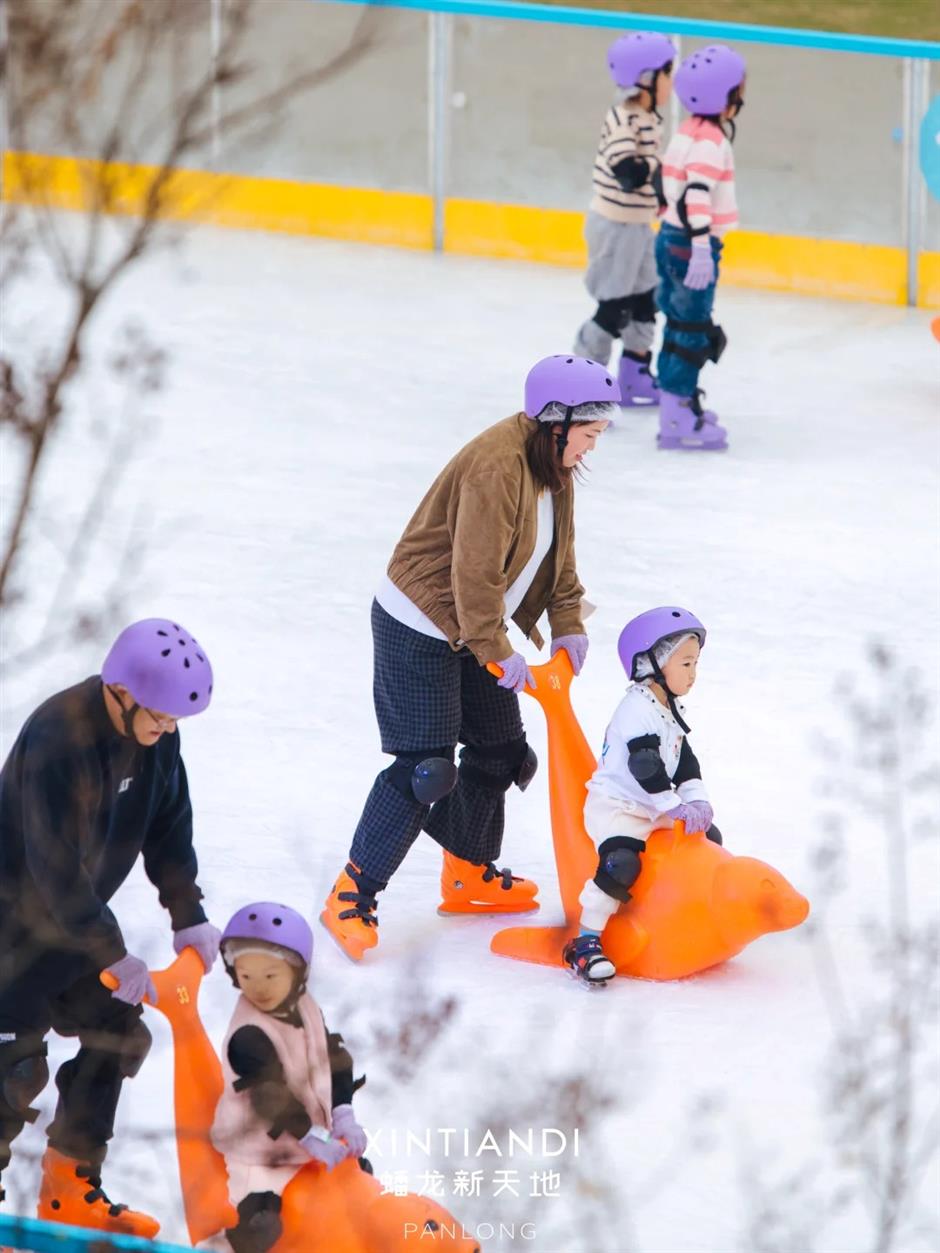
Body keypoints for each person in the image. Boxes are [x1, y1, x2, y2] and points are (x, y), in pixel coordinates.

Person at [321, 355, 620, 961]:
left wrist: (567, 624)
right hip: (421, 622)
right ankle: (351, 893)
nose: (592, 447)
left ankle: (468, 872)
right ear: (556, 422)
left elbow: (559, 558)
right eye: (589, 434)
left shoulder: (552, 465)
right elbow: (473, 573)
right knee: (426, 768)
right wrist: (495, 648)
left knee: (502, 750)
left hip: (474, 625)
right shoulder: (496, 466)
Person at [0, 619, 221, 1237]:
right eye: (159, 715)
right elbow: (54, 867)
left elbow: (169, 823)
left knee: (117, 1032)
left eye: (176, 720)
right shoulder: (56, 738)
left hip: (71, 935)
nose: (167, 730)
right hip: (9, 936)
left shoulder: (155, 740)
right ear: (119, 692)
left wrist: (188, 913)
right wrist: (113, 951)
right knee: (11, 1074)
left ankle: (69, 1187)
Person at [563, 607, 722, 984]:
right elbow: (646, 766)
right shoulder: (636, 709)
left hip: (654, 802)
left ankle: (690, 917)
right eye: (685, 663)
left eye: (695, 663)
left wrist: (697, 801)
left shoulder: (670, 708)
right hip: (620, 805)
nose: (693, 674)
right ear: (652, 663)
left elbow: (683, 760)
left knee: (708, 840)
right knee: (622, 862)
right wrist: (675, 806)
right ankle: (585, 941)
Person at [211, 903, 367, 1253]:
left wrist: (343, 1112)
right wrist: (308, 1135)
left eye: (270, 976)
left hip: (314, 1138)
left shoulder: (305, 1005)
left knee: (358, 1183)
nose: (259, 988)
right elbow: (269, 1096)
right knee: (264, 1221)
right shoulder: (248, 1034)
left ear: (298, 975)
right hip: (260, 1151)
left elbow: (334, 1057)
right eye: (246, 976)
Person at [573, 31, 676, 407]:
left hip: (637, 226)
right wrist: (660, 173)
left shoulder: (647, 117)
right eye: (667, 74)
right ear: (646, 79)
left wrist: (664, 197)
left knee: (646, 299)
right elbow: (627, 171)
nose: (672, 82)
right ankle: (581, 383)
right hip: (614, 228)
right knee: (614, 308)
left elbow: (649, 175)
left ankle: (633, 373)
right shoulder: (622, 118)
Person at [656, 44, 746, 450]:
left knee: (677, 323)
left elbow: (663, 181)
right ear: (724, 97)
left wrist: (672, 228)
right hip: (692, 244)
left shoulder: (686, 131)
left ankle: (676, 403)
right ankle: (676, 418)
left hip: (670, 238)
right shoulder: (710, 142)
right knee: (692, 329)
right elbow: (695, 191)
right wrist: (701, 246)